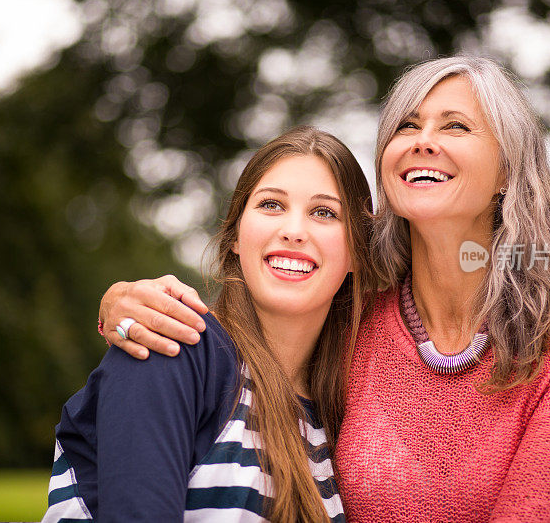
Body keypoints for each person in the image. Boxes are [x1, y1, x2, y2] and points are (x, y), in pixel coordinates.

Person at [98, 56, 550, 522]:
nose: (424, 141)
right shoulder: (351, 319)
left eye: (456, 126)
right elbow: (251, 331)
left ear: (508, 172)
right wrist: (120, 303)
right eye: (407, 124)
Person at [42, 126, 376, 522]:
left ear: (358, 249)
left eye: (324, 212)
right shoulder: (173, 343)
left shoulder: (343, 412)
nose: (293, 231)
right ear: (235, 234)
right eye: (271, 205)